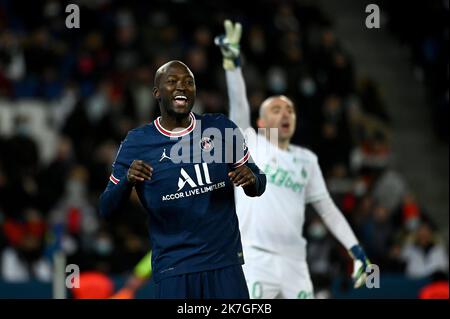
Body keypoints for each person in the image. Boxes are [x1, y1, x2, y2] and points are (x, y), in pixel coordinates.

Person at [215, 20, 370, 298]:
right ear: (261, 121)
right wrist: (233, 65)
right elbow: (238, 105)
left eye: (290, 110)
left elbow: (326, 208)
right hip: (254, 257)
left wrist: (355, 249)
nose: (285, 114)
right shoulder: (249, 142)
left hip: (295, 262)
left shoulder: (307, 159)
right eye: (276, 109)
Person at [99, 60, 266, 299]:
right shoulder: (138, 142)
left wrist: (252, 180)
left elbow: (258, 182)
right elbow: (107, 209)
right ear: (157, 92)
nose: (182, 87)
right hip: (174, 268)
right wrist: (127, 180)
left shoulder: (220, 128)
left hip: (224, 263)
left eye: (189, 82)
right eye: (172, 81)